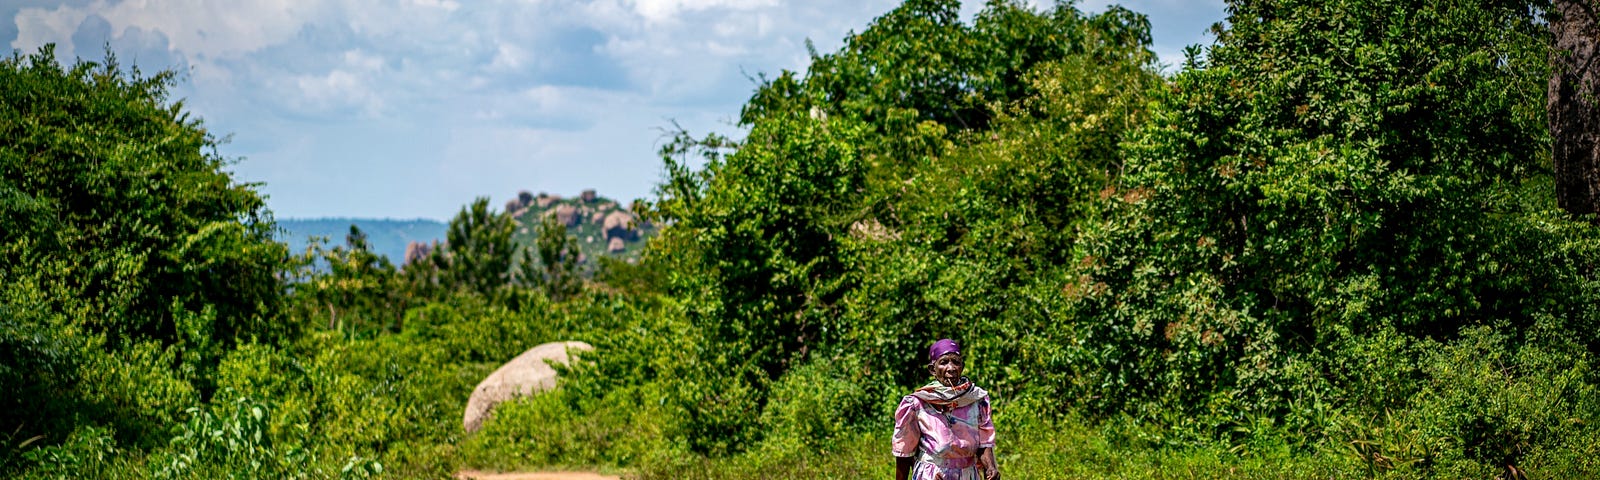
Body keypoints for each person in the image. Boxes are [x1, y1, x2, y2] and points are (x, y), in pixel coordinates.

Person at [892, 339, 999, 480]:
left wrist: (990, 467)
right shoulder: (918, 403)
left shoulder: (976, 400)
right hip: (932, 475)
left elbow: (984, 443)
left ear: (962, 366)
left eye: (956, 362)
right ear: (932, 369)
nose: (951, 368)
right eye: (944, 362)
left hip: (967, 474)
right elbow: (904, 453)